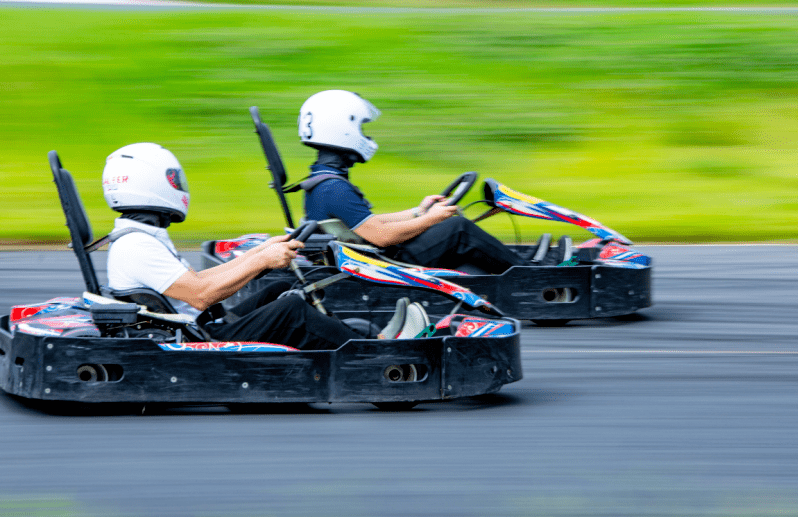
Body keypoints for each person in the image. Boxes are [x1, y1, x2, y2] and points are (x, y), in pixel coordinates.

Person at [102, 142, 426, 347]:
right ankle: (376, 353)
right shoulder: (137, 246)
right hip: (199, 340)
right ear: (151, 185)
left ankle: (364, 340)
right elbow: (201, 295)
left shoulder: (139, 237)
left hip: (196, 328)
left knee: (279, 288)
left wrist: (261, 251)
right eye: (174, 180)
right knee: (292, 309)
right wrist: (261, 261)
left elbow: (200, 284)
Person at [297, 90, 526, 274]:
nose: (365, 136)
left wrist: (419, 212)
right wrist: (430, 219)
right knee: (458, 229)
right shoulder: (334, 189)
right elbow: (381, 236)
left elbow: (368, 223)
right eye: (361, 128)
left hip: (371, 257)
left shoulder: (321, 183)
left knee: (445, 226)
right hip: (388, 263)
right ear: (342, 129)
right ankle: (532, 276)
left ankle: (514, 269)